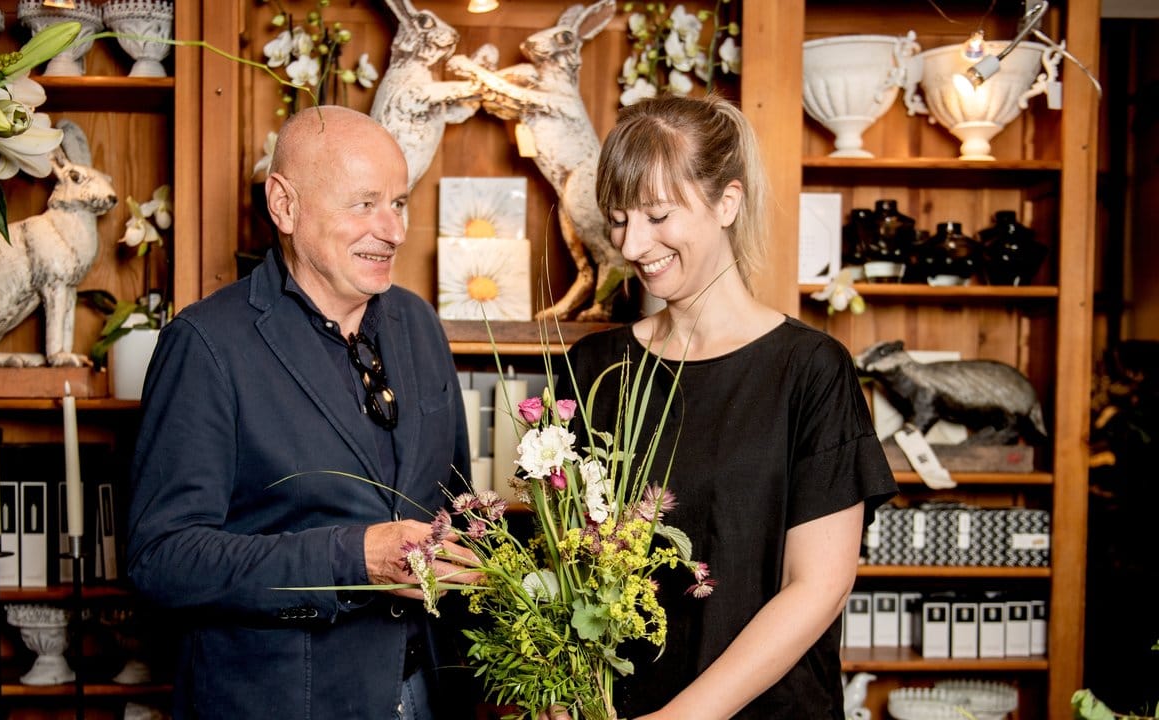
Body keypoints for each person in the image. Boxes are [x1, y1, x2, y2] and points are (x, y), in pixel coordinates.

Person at [126, 105, 480, 720]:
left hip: (427, 692)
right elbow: (163, 562)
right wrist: (353, 558)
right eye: (363, 203)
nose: (392, 229)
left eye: (398, 203)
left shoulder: (419, 323)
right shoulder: (206, 343)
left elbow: (459, 505)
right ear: (284, 206)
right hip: (283, 701)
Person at [555, 94, 898, 719]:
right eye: (619, 219)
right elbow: (565, 561)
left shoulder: (810, 371)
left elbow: (818, 585)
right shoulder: (592, 367)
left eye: (658, 215)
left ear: (727, 203)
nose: (633, 245)